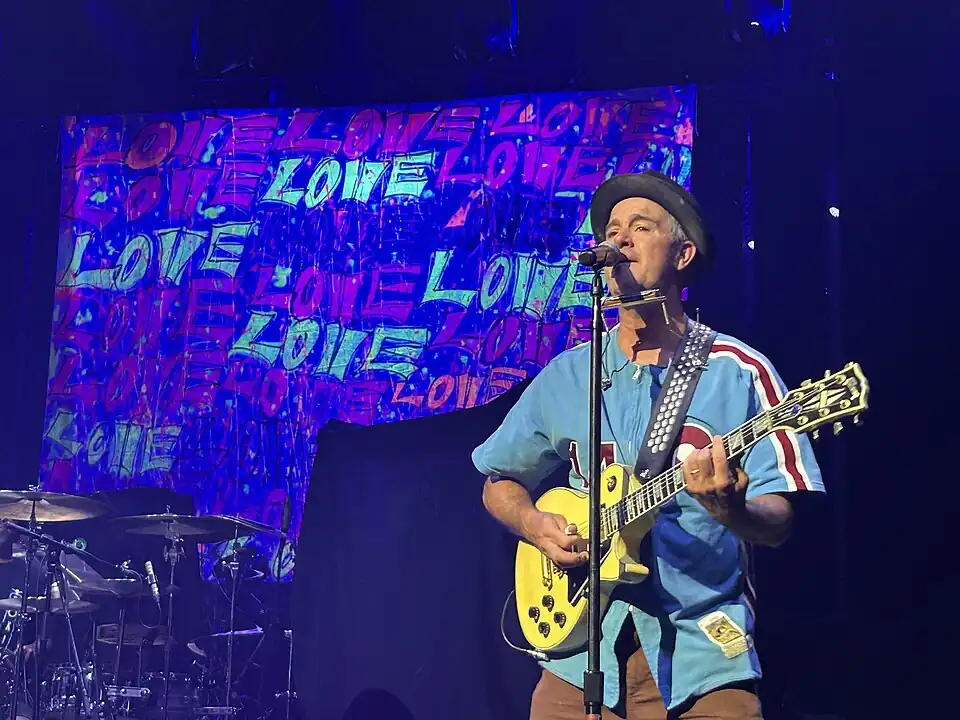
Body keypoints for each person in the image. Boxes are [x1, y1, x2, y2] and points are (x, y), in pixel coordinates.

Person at [472, 170, 824, 719]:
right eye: (612, 231)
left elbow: (780, 518)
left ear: (682, 254)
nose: (620, 241)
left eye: (640, 227)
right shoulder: (570, 373)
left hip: (702, 656)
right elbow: (499, 481)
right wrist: (535, 525)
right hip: (578, 657)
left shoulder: (737, 371)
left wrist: (731, 509)